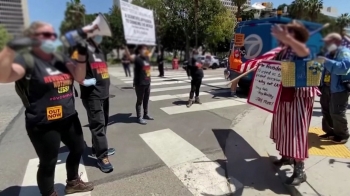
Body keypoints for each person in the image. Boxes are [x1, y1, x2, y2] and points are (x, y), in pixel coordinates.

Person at [0, 21, 93, 196]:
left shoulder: (60, 58)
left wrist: (81, 54)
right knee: (48, 162)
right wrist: (10, 48)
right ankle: (49, 193)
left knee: (78, 148)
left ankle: (72, 182)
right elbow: (3, 76)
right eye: (45, 34)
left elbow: (79, 77)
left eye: (52, 34)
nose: (51, 38)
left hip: (69, 117)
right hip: (43, 123)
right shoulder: (26, 60)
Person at [269, 20, 319, 186]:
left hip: (299, 96)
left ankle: (300, 170)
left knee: (296, 132)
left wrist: (287, 39)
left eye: (288, 33)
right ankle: (286, 156)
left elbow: (304, 53)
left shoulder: (303, 48)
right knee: (284, 128)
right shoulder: (283, 51)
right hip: (285, 94)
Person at [77, 35, 115, 173]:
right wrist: (84, 81)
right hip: (92, 95)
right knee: (98, 125)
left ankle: (97, 149)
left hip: (104, 93)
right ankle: (102, 157)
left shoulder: (99, 50)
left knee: (103, 123)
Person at [318, 33, 350, 143]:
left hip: (339, 89)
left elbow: (342, 68)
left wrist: (325, 61)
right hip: (326, 86)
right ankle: (330, 132)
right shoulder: (329, 53)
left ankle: (342, 135)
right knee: (326, 110)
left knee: (337, 112)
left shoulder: (344, 53)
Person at [127, 45, 154, 124]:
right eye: (143, 49)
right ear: (139, 50)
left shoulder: (146, 58)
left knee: (146, 100)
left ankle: (146, 114)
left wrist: (154, 46)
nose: (145, 51)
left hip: (147, 82)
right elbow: (129, 56)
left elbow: (150, 53)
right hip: (140, 84)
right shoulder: (137, 58)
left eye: (146, 49)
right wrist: (125, 47)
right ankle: (139, 117)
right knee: (140, 101)